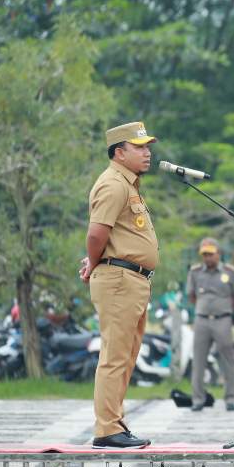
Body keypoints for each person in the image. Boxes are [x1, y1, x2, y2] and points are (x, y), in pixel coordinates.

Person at [80, 121, 158, 449]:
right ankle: (107, 428)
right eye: (139, 147)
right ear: (119, 152)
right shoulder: (113, 184)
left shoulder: (129, 184)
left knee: (126, 356)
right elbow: (96, 234)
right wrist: (94, 261)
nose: (147, 152)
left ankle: (115, 423)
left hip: (132, 280)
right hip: (118, 280)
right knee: (115, 356)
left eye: (147, 146)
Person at [185, 237, 234, 412]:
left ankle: (230, 398)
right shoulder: (195, 272)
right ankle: (198, 399)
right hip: (202, 319)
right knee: (198, 360)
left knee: (227, 359)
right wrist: (203, 307)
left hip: (222, 319)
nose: (207, 258)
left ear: (219, 254)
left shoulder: (230, 272)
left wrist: (224, 308)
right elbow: (191, 295)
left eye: (211, 254)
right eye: (205, 255)